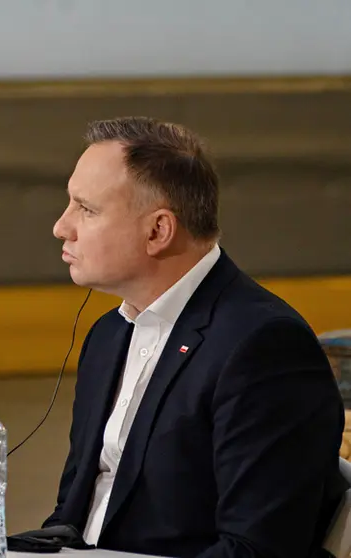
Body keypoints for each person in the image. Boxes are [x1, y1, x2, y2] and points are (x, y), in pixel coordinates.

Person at [44, 116, 346, 557]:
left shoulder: (263, 346)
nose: (61, 227)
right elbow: (70, 516)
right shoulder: (109, 335)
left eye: (86, 209)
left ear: (157, 231)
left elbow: (257, 549)